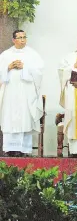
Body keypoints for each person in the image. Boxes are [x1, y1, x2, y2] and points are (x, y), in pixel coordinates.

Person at [0, 29, 44, 157]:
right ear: (13, 40)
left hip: (26, 93)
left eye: (24, 37)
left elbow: (39, 72)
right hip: (10, 93)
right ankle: (9, 149)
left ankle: (23, 149)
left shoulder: (33, 55)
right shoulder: (5, 55)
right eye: (19, 37)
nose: (22, 40)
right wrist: (8, 67)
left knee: (24, 118)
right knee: (10, 118)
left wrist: (24, 67)